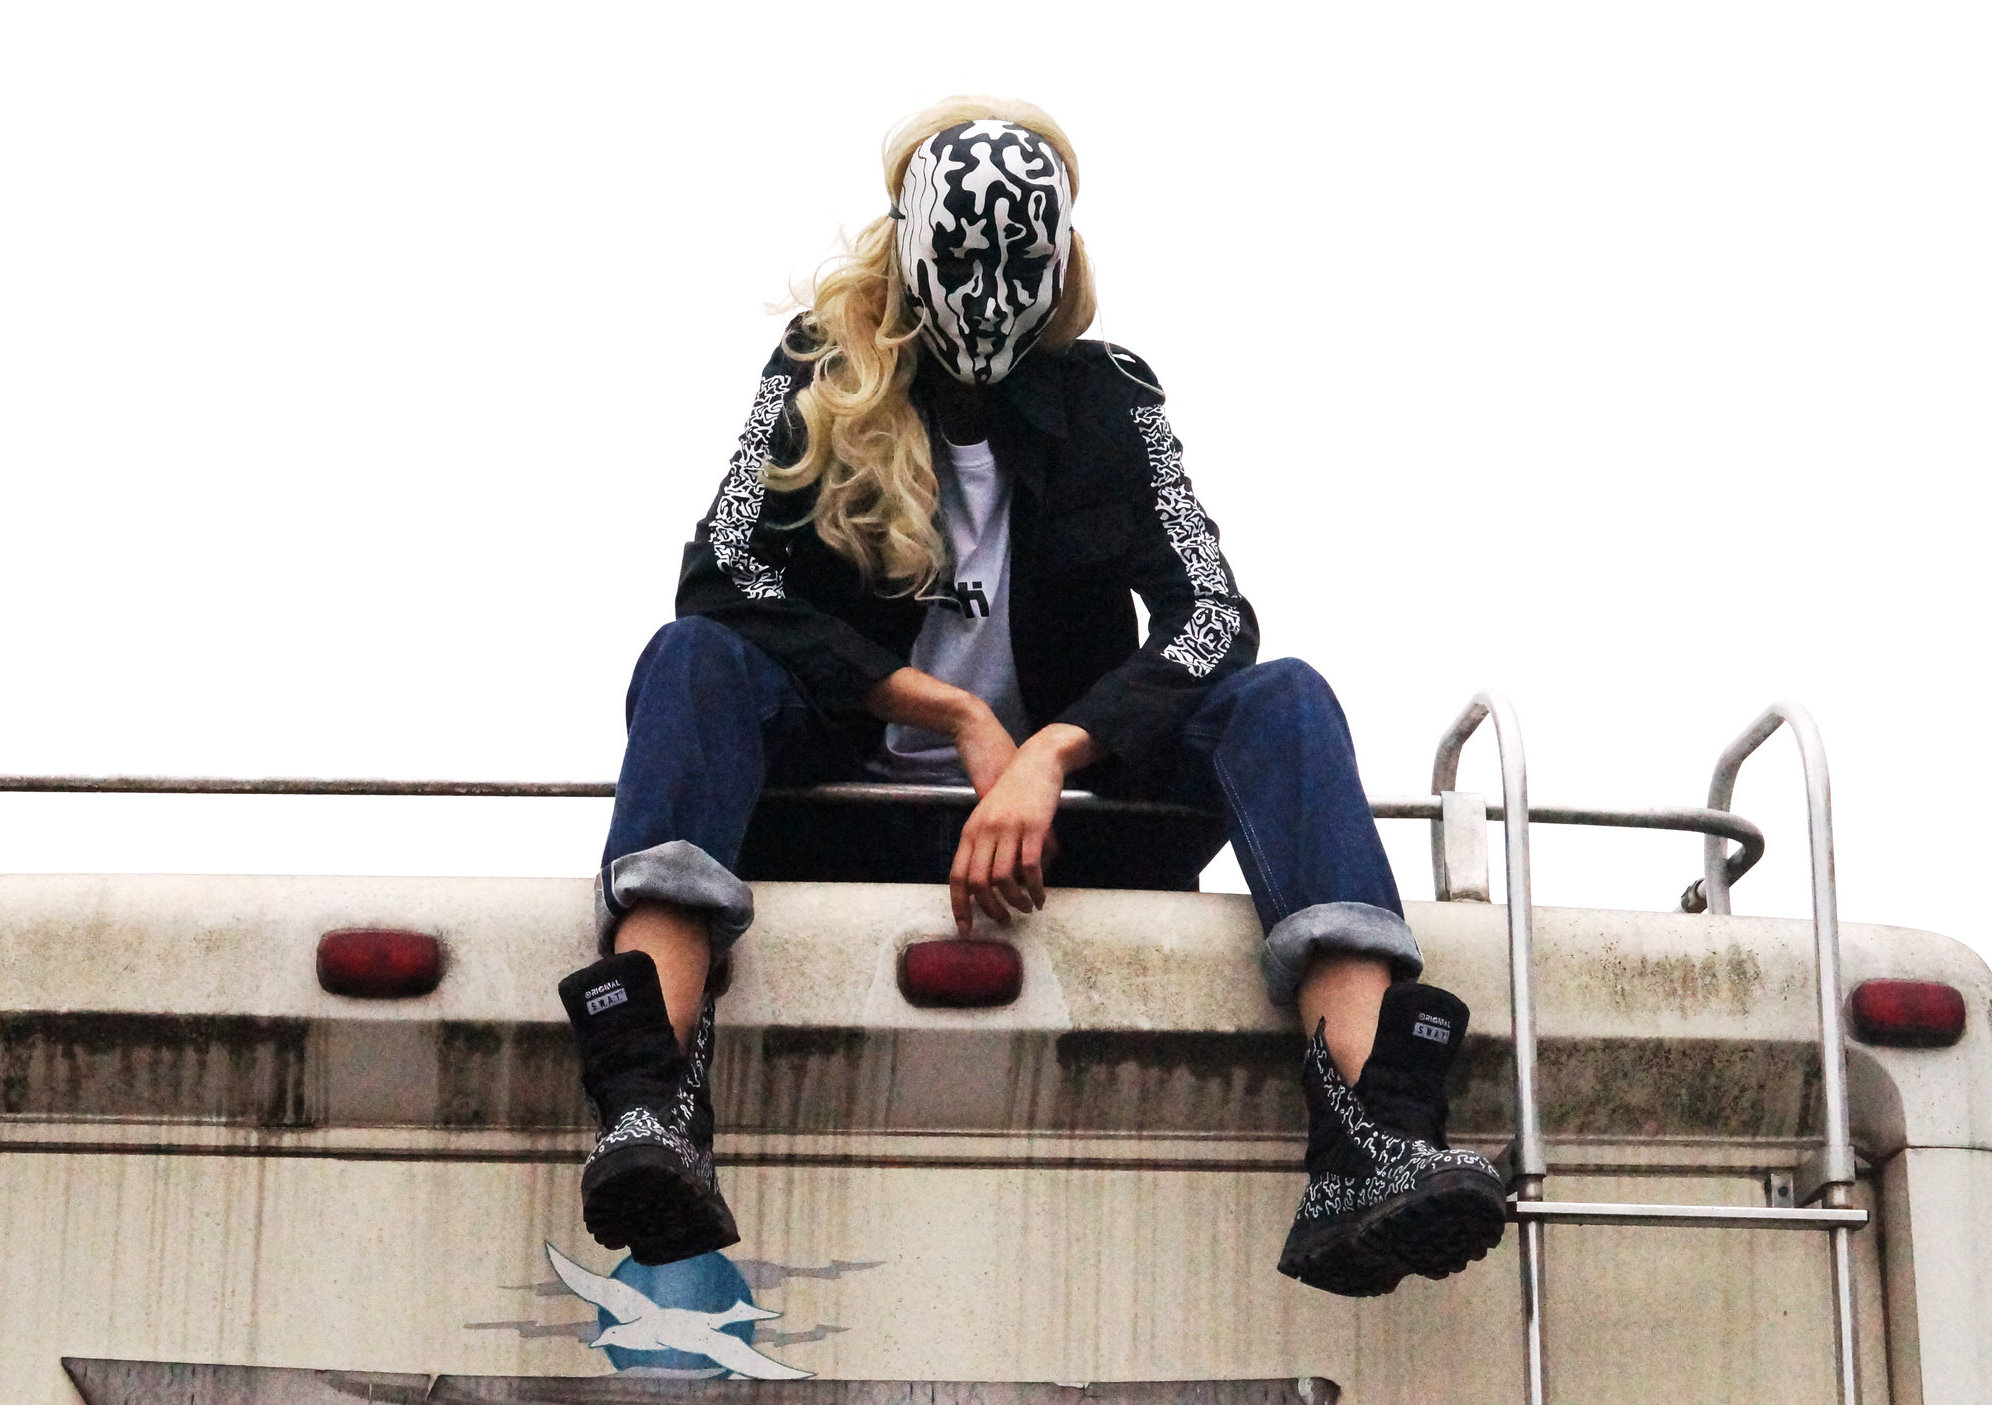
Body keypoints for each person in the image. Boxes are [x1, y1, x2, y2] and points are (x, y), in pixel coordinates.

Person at [555, 96, 1506, 1298]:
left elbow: (1213, 613)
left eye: (1017, 259)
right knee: (689, 657)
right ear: (909, 246)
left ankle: (1371, 1136)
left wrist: (1052, 751)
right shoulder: (816, 367)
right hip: (843, 813)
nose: (988, 290)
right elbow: (724, 575)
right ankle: (651, 1102)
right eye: (960, 257)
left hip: (1069, 831)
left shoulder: (1114, 397)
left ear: (1058, 261)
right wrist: (956, 717)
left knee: (1284, 697)